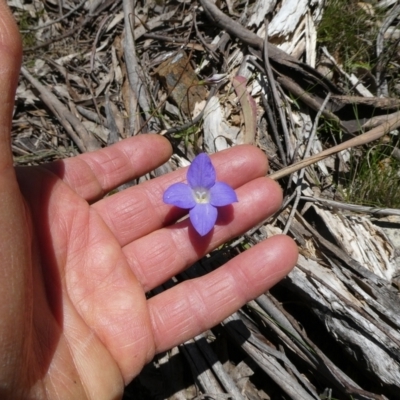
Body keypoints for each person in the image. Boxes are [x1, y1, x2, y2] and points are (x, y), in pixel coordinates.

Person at [0, 1, 298, 398]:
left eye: (204, 194)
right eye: (198, 194)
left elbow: (210, 196)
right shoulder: (190, 193)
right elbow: (189, 195)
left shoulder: (210, 192)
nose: (201, 195)